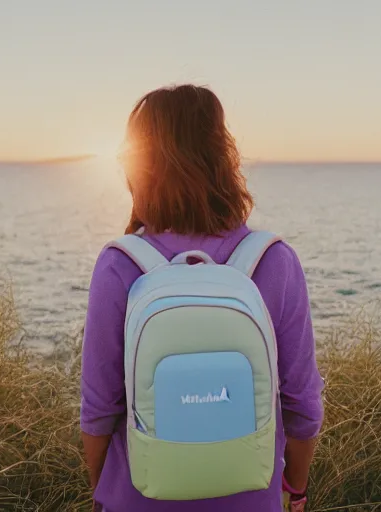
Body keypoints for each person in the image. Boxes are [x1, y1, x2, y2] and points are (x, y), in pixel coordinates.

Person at [80, 84, 324, 512]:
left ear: (140, 167)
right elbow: (303, 406)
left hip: (137, 499)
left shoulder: (120, 265)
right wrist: (296, 489)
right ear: (222, 159)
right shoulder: (274, 261)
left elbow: (99, 411)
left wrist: (104, 490)